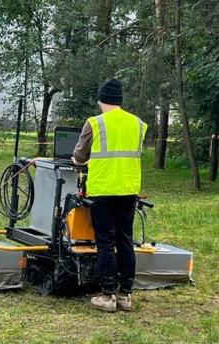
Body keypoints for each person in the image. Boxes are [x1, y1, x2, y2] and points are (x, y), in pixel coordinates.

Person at [72, 78, 148, 312]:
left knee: (105, 243)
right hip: (128, 190)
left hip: (103, 190)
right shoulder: (138, 124)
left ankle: (107, 295)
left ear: (101, 100)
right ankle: (125, 294)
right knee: (125, 241)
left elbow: (80, 156)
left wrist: (77, 161)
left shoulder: (95, 123)